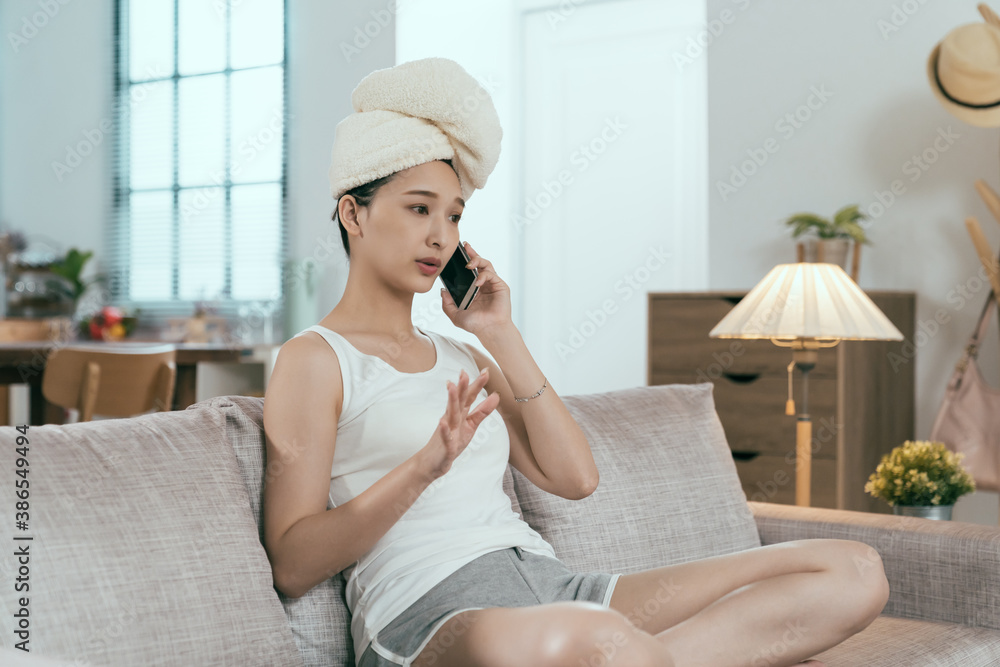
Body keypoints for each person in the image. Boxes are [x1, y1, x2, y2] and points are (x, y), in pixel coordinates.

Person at [262, 57, 888, 667]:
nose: (441, 236)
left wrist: (500, 334)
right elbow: (292, 563)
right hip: (434, 618)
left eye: (454, 215)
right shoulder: (316, 359)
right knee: (597, 642)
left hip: (555, 590)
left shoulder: (463, 353)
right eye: (419, 208)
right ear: (353, 212)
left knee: (851, 569)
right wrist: (424, 467)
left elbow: (575, 478)